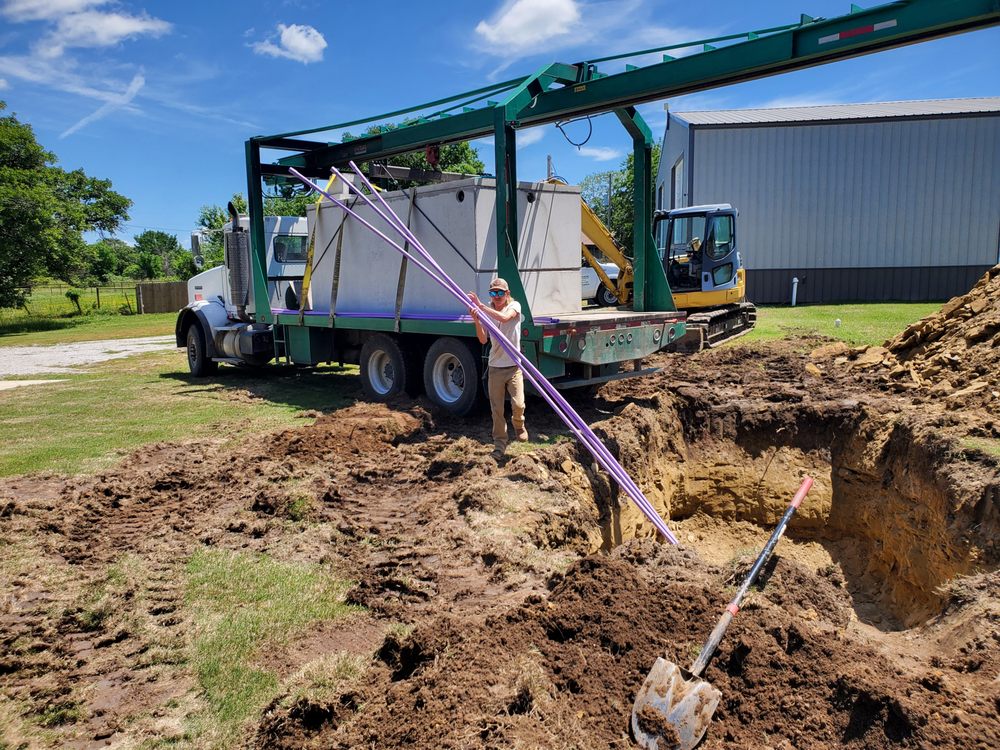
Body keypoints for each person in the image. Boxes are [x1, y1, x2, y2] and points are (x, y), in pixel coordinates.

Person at [468, 277, 527, 458]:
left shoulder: (514, 306)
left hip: (514, 367)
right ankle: (499, 446)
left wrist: (481, 307)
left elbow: (505, 317)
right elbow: (483, 339)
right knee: (497, 411)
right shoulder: (487, 313)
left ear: (507, 293)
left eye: (500, 292)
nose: (496, 296)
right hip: (495, 367)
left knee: (518, 404)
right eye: (493, 293)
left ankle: (519, 424)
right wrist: (477, 319)